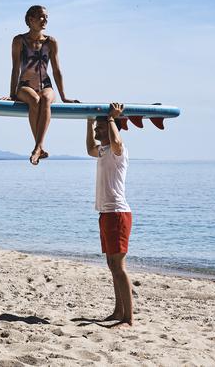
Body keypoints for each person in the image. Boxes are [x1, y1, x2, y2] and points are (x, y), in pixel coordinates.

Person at [8, 5, 78, 165]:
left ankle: (38, 147)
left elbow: (57, 71)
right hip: (25, 86)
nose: (45, 19)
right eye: (41, 16)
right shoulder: (19, 40)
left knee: (46, 98)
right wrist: (12, 94)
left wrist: (64, 97)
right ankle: (39, 146)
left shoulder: (51, 42)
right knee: (34, 100)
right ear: (30, 20)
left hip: (46, 84)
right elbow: (15, 68)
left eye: (46, 17)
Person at [85, 102, 134, 328]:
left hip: (118, 213)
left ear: (109, 127)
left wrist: (112, 118)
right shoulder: (103, 150)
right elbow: (89, 149)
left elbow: (117, 141)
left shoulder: (118, 151)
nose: (96, 132)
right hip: (106, 213)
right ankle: (118, 310)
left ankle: (128, 318)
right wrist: (87, 122)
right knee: (111, 265)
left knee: (119, 266)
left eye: (99, 128)